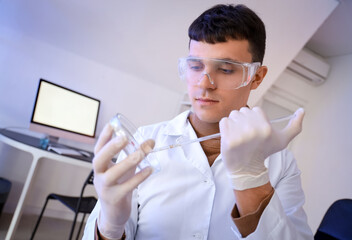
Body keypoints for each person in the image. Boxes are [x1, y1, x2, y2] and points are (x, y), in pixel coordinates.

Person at [83, 4, 313, 240]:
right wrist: (110, 226)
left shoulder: (281, 162)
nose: (204, 83)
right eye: (195, 66)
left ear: (256, 77)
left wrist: (252, 178)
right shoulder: (145, 141)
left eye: (225, 69)